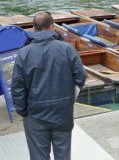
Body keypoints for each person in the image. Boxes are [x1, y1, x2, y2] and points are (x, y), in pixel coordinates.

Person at [11, 11, 87, 160]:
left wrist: (23, 111)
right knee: (63, 154)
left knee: (39, 156)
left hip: (34, 113)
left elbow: (17, 88)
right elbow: (81, 77)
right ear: (52, 26)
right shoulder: (67, 49)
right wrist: (68, 101)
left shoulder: (24, 53)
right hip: (62, 111)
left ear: (33, 28)